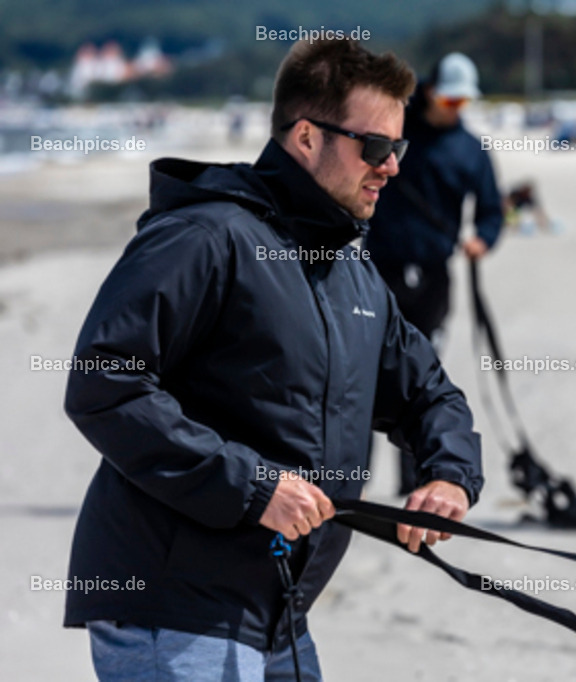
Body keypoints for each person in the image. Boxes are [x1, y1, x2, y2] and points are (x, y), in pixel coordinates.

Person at [63, 37, 484, 682]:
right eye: (375, 148)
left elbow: (429, 394)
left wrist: (448, 476)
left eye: (399, 148)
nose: (392, 168)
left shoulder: (352, 271)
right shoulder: (205, 236)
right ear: (308, 138)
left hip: (279, 614)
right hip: (173, 607)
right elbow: (103, 383)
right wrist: (253, 485)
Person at [365, 52, 503, 494]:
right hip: (377, 269)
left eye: (463, 103)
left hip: (433, 276)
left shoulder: (471, 150)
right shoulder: (393, 130)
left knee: (419, 377)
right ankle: (352, 480)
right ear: (429, 92)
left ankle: (412, 481)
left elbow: (491, 210)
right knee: (362, 371)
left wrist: (483, 238)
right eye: (450, 100)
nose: (456, 109)